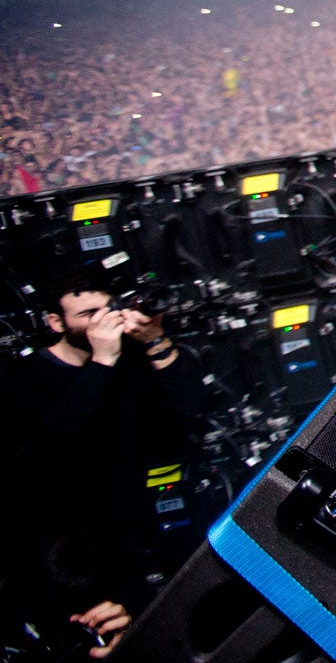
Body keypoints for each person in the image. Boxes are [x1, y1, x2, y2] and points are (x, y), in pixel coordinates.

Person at [0, 267, 211, 625]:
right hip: (73, 548)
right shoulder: (24, 377)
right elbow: (51, 447)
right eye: (86, 315)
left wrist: (155, 339)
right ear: (56, 322)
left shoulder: (133, 359)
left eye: (106, 308)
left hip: (144, 524)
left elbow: (194, 405)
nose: (102, 321)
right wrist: (102, 360)